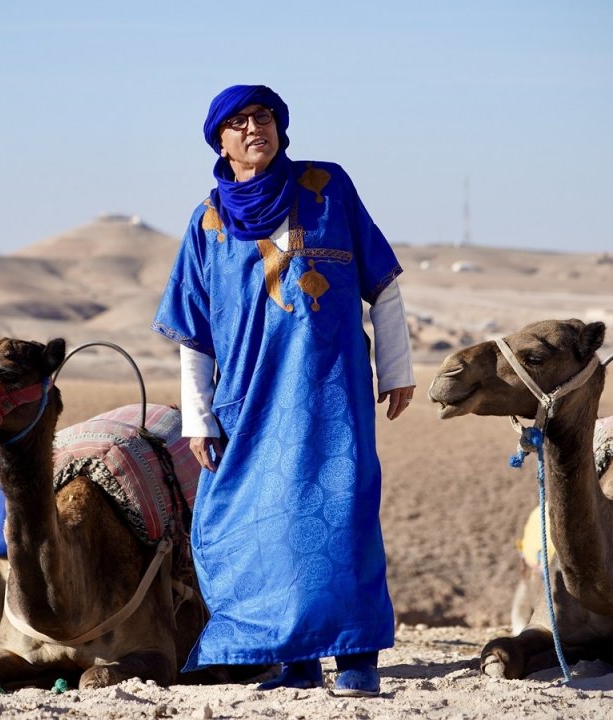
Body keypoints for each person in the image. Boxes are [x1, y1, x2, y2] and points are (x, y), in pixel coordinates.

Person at [151, 84, 415, 697]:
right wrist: (197, 417)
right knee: (261, 528)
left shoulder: (328, 186)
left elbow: (384, 281)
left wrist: (396, 369)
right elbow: (194, 331)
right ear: (220, 141)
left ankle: (356, 660)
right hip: (247, 399)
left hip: (332, 392)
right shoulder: (209, 220)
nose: (253, 129)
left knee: (342, 519)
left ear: (280, 127)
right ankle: (294, 661)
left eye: (262, 117)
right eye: (238, 123)